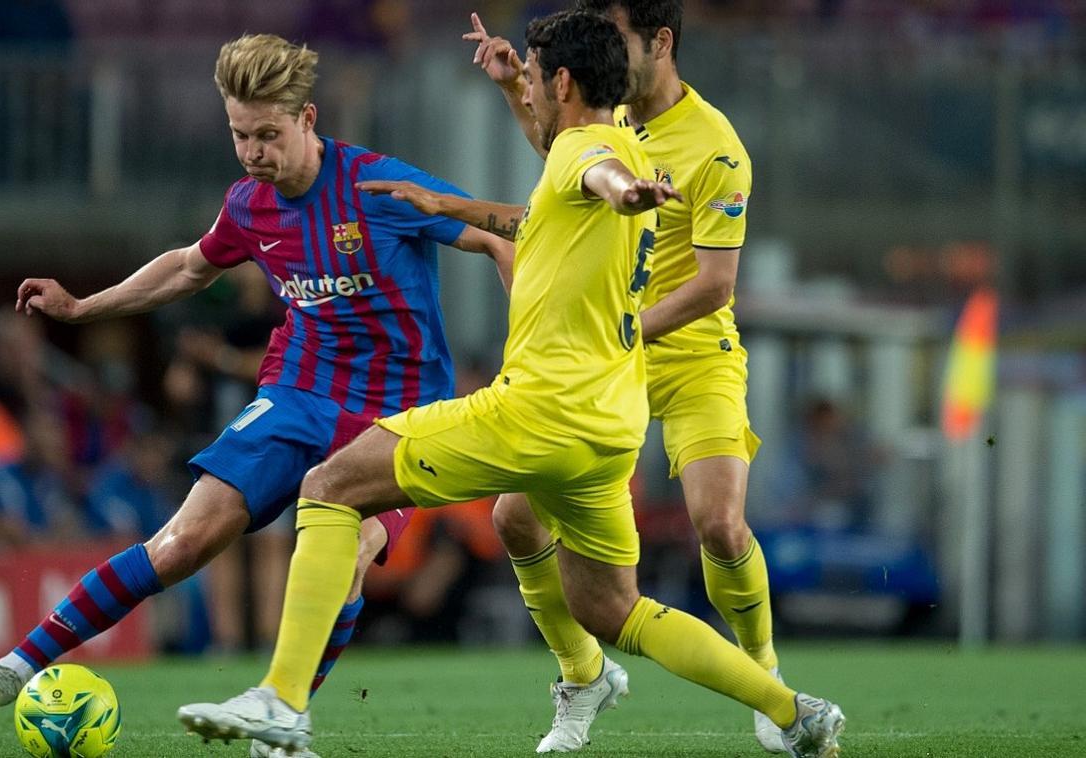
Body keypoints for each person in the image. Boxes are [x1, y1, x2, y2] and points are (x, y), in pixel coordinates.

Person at [178, 12, 844, 758]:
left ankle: (282, 703)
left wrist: (624, 192)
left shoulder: (594, 152)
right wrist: (449, 205)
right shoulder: (618, 138)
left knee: (331, 485)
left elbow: (595, 175)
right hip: (606, 423)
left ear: (562, 81)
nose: (523, 83)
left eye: (530, 74)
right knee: (610, 602)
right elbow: (549, 208)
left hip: (541, 409)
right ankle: (793, 710)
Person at [0, 33, 513, 758]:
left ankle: (284, 722)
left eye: (268, 135)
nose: (252, 152)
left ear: (308, 119)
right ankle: (16, 665)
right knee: (182, 542)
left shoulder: (377, 186)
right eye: (239, 135)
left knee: (346, 557)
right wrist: (83, 308)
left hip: (399, 413)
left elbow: (499, 236)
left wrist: (525, 355)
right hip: (298, 389)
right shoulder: (249, 206)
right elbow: (190, 267)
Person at [460, 2, 794, 751]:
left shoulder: (718, 149)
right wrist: (515, 88)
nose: (607, 53)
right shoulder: (605, 121)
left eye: (620, 39)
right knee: (514, 519)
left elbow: (715, 286)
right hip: (610, 358)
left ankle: (764, 673)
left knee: (720, 523)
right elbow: (562, 164)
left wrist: (621, 328)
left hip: (689, 354)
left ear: (662, 42)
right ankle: (582, 677)